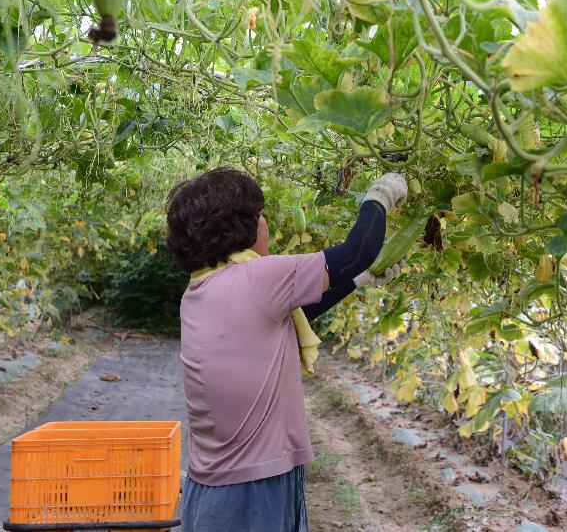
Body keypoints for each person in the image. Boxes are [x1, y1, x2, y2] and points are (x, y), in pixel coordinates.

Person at [166, 167, 408, 531]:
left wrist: (357, 281)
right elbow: (359, 250)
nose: (266, 225)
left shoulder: (200, 291)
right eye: (261, 217)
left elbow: (292, 317)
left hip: (214, 491)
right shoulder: (258, 278)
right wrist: (381, 195)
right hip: (254, 488)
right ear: (243, 231)